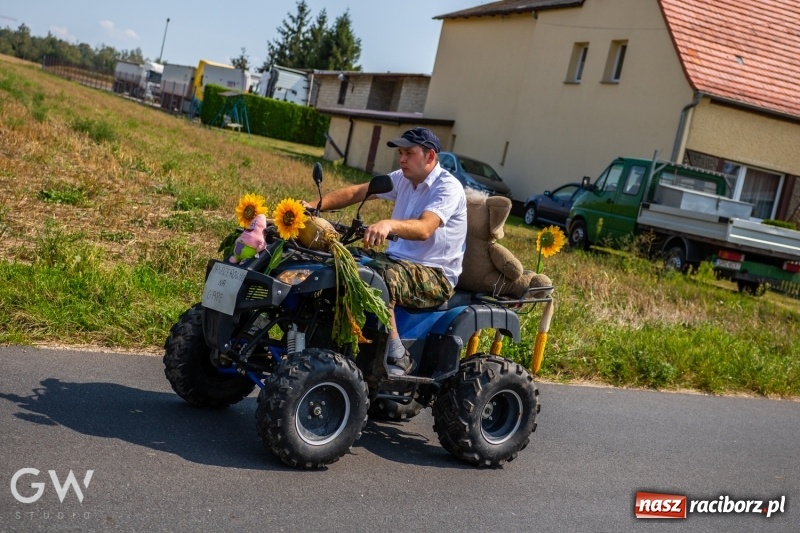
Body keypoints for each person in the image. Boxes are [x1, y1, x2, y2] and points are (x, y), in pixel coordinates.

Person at [307, 127, 467, 375]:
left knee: (380, 279)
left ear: (430, 156)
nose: (402, 159)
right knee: (339, 259)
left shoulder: (447, 187)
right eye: (400, 153)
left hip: (435, 273)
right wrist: (313, 207)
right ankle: (327, 335)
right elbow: (358, 192)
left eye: (409, 153)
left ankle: (397, 354)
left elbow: (425, 228)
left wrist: (388, 224)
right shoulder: (403, 178)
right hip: (397, 260)